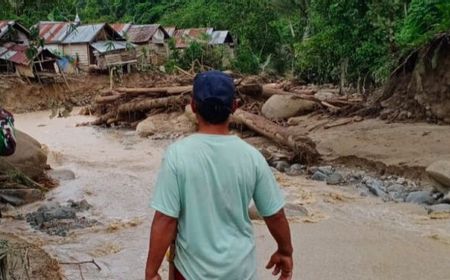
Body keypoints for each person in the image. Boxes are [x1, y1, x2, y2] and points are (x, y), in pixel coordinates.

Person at [145, 71, 293, 280]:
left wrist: (151, 272)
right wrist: (285, 251)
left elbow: (166, 219)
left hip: (190, 273)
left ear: (193, 105)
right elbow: (275, 214)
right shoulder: (252, 157)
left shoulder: (177, 155)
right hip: (240, 271)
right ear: (234, 107)